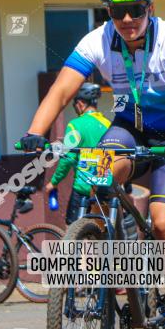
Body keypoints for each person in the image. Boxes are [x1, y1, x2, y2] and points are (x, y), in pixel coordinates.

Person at [19, 0, 165, 329]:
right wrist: (36, 132)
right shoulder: (98, 41)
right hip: (128, 129)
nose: (125, 20)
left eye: (135, 10)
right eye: (116, 11)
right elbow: (62, 88)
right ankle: (105, 246)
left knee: (162, 221)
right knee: (102, 176)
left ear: (150, 7)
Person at [45, 83, 111, 225]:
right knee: (101, 228)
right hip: (104, 186)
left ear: (80, 103)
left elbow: (68, 158)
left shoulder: (75, 125)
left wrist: (54, 182)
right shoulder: (108, 124)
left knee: (73, 230)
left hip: (83, 187)